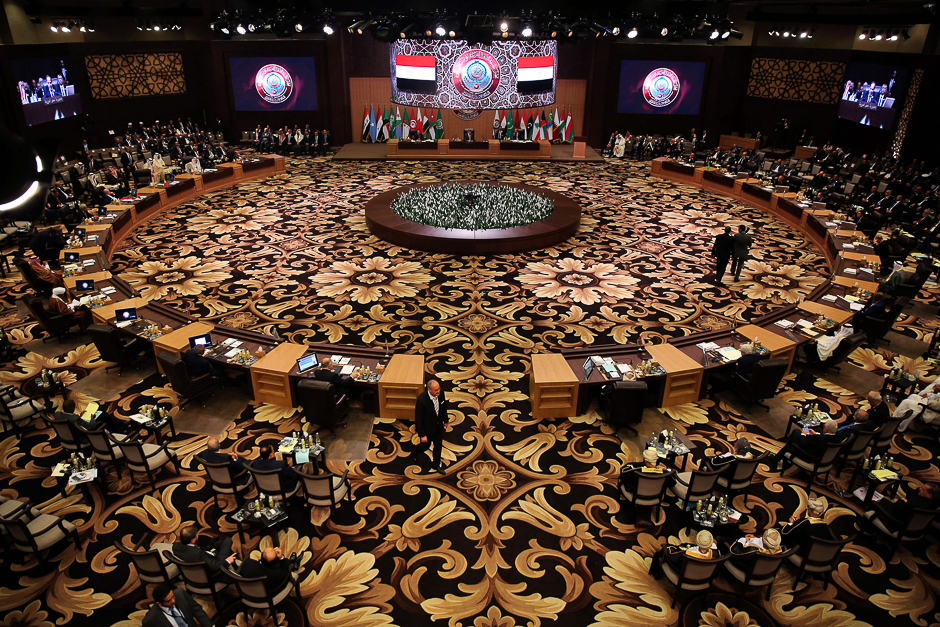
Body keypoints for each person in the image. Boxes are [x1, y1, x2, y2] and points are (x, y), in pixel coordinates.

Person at [171, 525, 237, 583]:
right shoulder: (198, 554)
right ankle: (237, 569)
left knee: (222, 542)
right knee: (228, 541)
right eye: (196, 534)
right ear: (192, 540)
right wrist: (227, 561)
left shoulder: (176, 546)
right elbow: (216, 566)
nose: (197, 535)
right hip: (213, 573)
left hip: (203, 554)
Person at [411, 379, 449, 474]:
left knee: (438, 446)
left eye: (439, 389)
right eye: (436, 390)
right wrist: (422, 435)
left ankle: (436, 464)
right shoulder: (421, 400)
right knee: (425, 446)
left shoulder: (441, 393)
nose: (438, 391)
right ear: (429, 390)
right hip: (427, 429)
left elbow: (443, 407)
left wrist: (446, 420)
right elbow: (418, 419)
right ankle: (414, 451)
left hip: (438, 427)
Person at [772, 419, 847, 468]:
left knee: (794, 436)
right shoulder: (839, 436)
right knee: (796, 434)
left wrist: (804, 434)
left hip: (809, 456)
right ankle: (777, 457)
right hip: (824, 457)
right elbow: (825, 437)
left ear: (826, 429)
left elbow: (803, 443)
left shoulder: (818, 439)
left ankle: (776, 458)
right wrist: (816, 433)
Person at [649, 530, 720, 579]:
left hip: (685, 574)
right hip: (704, 577)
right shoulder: (716, 555)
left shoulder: (687, 554)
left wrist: (667, 548)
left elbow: (673, 558)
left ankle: (656, 574)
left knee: (661, 552)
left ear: (698, 542)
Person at [142, 583, 214, 627]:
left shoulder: (180, 594)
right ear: (159, 603)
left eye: (173, 596)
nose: (173, 601)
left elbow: (197, 611)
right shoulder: (150, 620)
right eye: (168, 601)